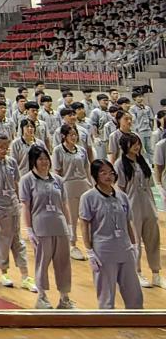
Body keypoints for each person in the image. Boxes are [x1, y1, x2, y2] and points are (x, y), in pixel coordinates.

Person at [79, 159, 143, 310]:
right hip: (104, 252)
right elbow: (84, 225)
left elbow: (128, 222)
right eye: (103, 173)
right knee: (107, 297)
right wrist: (89, 251)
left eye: (111, 173)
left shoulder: (122, 196)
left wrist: (134, 246)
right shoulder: (88, 197)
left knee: (135, 295)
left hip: (124, 249)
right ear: (95, 175)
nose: (108, 176)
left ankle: (136, 320)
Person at [0, 132, 36, 292]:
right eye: (1, 147)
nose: (4, 150)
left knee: (18, 242)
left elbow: (16, 182)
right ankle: (4, 273)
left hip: (13, 206)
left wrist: (19, 200)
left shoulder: (11, 162)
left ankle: (25, 276)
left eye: (6, 147)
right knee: (2, 242)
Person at [19, 144, 74, 309]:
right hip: (41, 228)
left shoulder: (58, 180)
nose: (44, 162)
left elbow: (65, 204)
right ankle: (42, 297)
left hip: (60, 226)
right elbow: (26, 206)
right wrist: (29, 229)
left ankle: (64, 298)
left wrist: (69, 225)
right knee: (42, 263)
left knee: (63, 263)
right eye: (40, 159)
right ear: (33, 161)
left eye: (46, 158)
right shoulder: (27, 180)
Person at [114, 133, 164, 288]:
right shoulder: (120, 164)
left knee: (153, 240)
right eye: (133, 144)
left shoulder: (143, 161)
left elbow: (149, 184)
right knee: (134, 242)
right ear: (125, 146)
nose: (137, 146)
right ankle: (137, 272)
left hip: (148, 205)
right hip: (132, 207)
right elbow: (120, 189)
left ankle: (156, 274)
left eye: (138, 143)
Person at [51, 124, 90, 261]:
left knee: (87, 216)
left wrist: (90, 183)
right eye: (71, 135)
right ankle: (72, 245)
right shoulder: (58, 150)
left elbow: (87, 167)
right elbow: (57, 171)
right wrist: (58, 189)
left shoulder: (81, 150)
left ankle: (90, 244)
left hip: (83, 184)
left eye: (75, 134)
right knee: (72, 217)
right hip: (68, 185)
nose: (74, 137)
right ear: (64, 136)